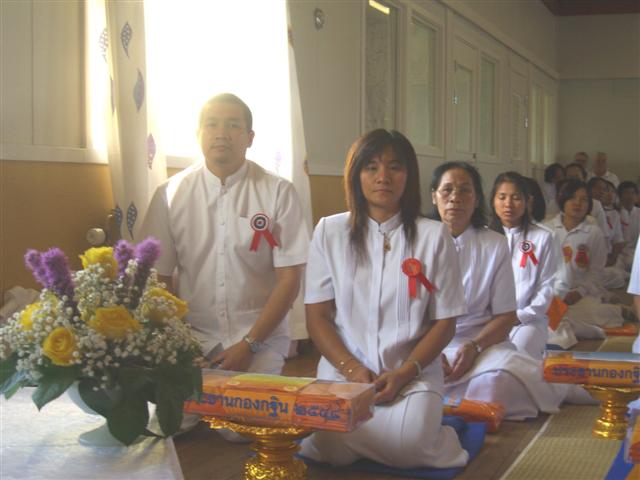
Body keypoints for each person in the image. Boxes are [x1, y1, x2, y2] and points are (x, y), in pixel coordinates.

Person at [300, 130, 469, 469]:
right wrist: (352, 369)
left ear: (409, 175)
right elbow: (317, 317)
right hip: (344, 371)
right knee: (331, 444)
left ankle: (427, 433)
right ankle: (384, 435)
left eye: (394, 167)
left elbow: (445, 322)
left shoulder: (434, 235)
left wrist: (406, 372)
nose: (383, 177)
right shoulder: (329, 231)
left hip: (413, 371)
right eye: (371, 167)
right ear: (355, 174)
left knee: (409, 445)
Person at [141, 93, 309, 375]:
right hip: (191, 338)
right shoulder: (169, 194)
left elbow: (289, 278)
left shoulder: (278, 191)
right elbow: (159, 277)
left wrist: (250, 344)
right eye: (212, 124)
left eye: (233, 125)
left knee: (251, 402)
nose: (221, 133)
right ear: (198, 134)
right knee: (184, 405)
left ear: (250, 137)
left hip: (261, 339)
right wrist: (179, 341)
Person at [430, 162, 564, 420]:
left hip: (483, 343)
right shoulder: (416, 242)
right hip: (428, 347)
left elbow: (505, 316)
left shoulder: (494, 243)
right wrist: (431, 353)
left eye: (465, 190)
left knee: (496, 382)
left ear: (477, 199)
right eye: (447, 190)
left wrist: (474, 347)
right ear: (434, 196)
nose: (455, 198)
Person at [545, 179, 626, 347]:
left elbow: (596, 272)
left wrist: (579, 292)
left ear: (589, 205)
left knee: (589, 312)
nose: (578, 203)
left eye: (584, 200)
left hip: (579, 294)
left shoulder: (593, 233)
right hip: (549, 294)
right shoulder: (546, 229)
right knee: (547, 314)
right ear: (562, 200)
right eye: (572, 198)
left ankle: (617, 311)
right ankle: (571, 326)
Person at [489, 172, 557, 360]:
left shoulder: (543, 237)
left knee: (516, 356)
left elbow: (547, 286)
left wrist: (521, 316)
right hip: (488, 321)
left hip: (528, 321)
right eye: (502, 197)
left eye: (516, 198)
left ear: (528, 202)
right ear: (493, 201)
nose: (508, 204)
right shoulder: (483, 238)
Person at [565, 163, 610, 242]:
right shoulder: (554, 202)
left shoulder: (595, 204)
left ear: (584, 179)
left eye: (576, 177)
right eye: (569, 177)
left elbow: (603, 235)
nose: (572, 181)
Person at [617, 181, 640, 270]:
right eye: (626, 193)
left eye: (633, 193)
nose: (630, 196)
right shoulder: (615, 213)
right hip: (620, 254)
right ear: (620, 196)